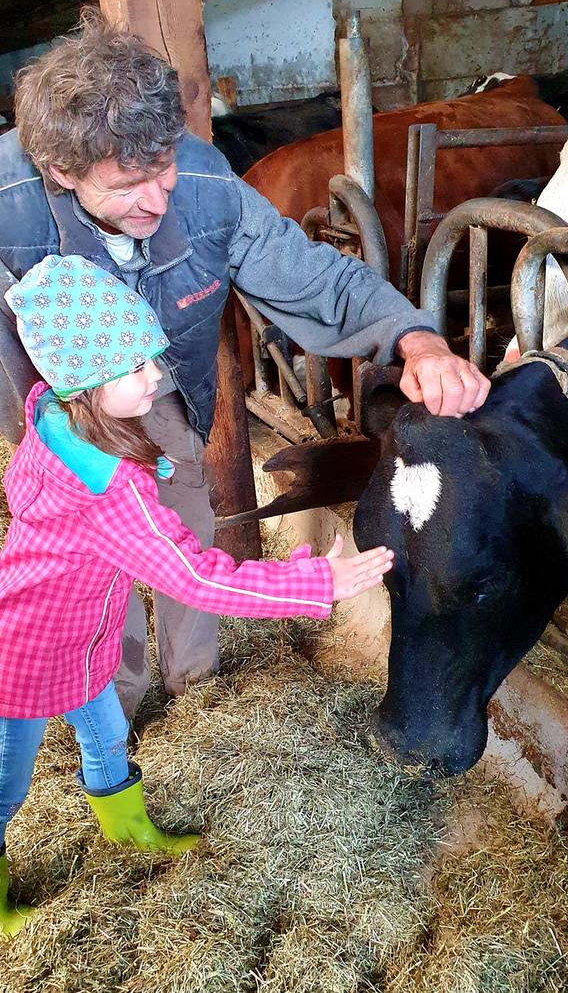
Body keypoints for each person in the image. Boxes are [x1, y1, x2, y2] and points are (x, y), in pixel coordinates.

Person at [0, 8, 490, 719]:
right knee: (93, 563)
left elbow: (319, 278)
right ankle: (114, 700)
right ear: (60, 171)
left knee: (185, 524)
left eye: (163, 164)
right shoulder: (9, 209)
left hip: (158, 386)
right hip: (55, 405)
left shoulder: (205, 186)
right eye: (127, 182)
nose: (157, 197)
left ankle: (194, 694)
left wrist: (415, 339)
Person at [0, 253, 393, 937]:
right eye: (135, 366)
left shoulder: (55, 422)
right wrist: (315, 583)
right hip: (22, 659)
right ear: (84, 384)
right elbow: (198, 577)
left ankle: (128, 832)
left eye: (153, 353)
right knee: (6, 785)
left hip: (80, 639)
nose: (157, 372)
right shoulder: (109, 492)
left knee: (108, 737)